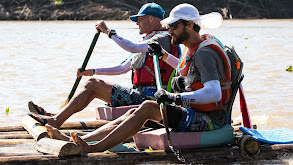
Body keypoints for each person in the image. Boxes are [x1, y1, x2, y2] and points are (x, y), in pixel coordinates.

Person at [38, 3, 233, 153]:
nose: (170, 30)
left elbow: (214, 93)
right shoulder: (194, 47)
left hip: (209, 121)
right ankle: (83, 142)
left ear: (190, 25)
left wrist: (174, 98)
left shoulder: (204, 54)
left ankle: (93, 148)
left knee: (148, 107)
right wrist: (164, 55)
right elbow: (183, 69)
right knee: (134, 112)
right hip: (193, 112)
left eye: (174, 26)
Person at [28, 3, 179, 129]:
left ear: (151, 18)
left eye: (139, 19)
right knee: (92, 82)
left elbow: (131, 47)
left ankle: (55, 120)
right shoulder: (147, 41)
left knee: (93, 85)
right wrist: (92, 71)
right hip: (139, 94)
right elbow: (122, 68)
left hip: (151, 98)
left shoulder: (163, 39)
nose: (136, 23)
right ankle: (56, 116)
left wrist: (109, 32)